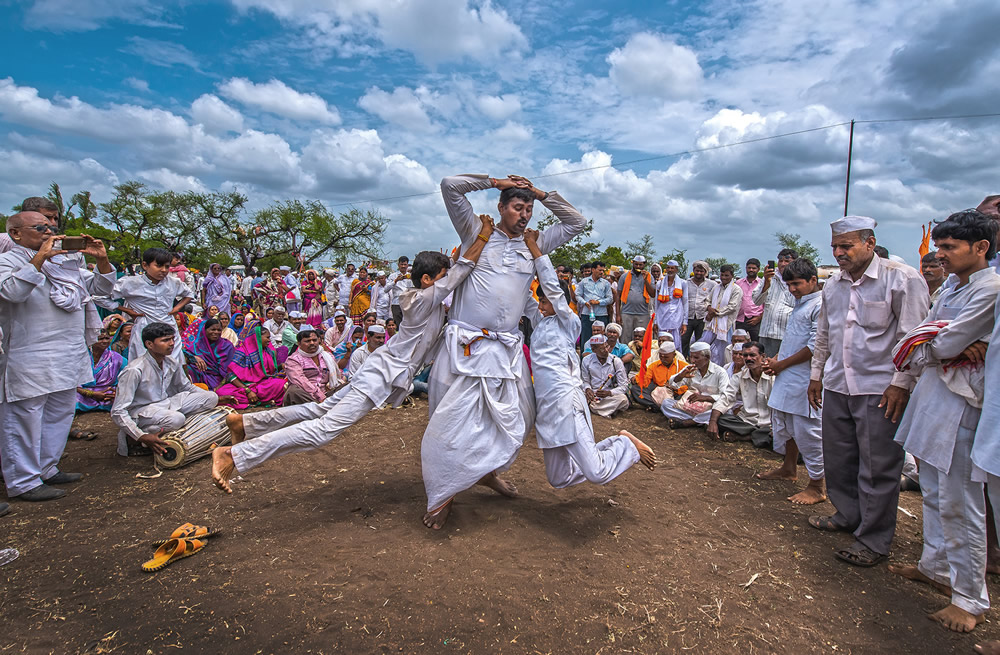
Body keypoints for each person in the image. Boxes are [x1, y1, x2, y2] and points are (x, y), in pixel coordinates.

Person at [213, 223, 493, 495]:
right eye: (443, 275)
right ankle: (233, 455)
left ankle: (245, 424)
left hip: (381, 371)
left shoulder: (429, 301)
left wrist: (459, 256)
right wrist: (483, 236)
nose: (448, 281)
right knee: (324, 430)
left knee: (319, 412)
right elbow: (461, 272)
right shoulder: (419, 301)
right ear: (427, 280)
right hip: (380, 375)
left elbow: (455, 275)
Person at [420, 173, 586, 530]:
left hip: (507, 350)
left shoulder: (535, 242)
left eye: (529, 208)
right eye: (517, 206)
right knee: (449, 424)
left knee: (520, 417)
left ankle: (488, 473)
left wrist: (541, 194)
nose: (524, 214)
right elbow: (450, 185)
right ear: (501, 207)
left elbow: (577, 222)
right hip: (464, 348)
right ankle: (444, 494)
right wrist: (493, 181)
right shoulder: (475, 233)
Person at [889, 210, 1000, 633]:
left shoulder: (990, 289)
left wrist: (936, 340)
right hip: (934, 394)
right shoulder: (953, 285)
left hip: (961, 403)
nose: (941, 255)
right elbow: (921, 338)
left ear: (981, 247)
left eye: (949, 247)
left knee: (960, 501)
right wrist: (936, 340)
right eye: (939, 246)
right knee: (933, 493)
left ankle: (969, 599)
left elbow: (942, 339)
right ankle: (935, 566)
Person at [807, 215, 929, 568]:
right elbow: (825, 335)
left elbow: (912, 338)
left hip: (880, 389)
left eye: (846, 246)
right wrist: (817, 375)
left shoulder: (901, 279)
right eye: (834, 247)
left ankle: (873, 539)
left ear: (870, 244)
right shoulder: (833, 286)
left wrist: (900, 384)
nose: (839, 253)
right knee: (840, 457)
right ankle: (847, 515)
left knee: (878, 466)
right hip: (837, 384)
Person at [522, 229, 654, 490]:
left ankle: (626, 445)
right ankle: (613, 444)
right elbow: (525, 297)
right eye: (541, 302)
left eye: (546, 301)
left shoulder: (568, 322)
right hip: (546, 409)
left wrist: (535, 250)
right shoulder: (539, 324)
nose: (541, 306)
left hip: (565, 401)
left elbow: (551, 285)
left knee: (596, 473)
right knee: (559, 478)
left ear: (561, 302)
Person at [0, 213, 116, 500]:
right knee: (25, 417)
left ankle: (47, 468)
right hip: (29, 354)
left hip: (68, 351)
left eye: (51, 227)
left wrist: (101, 261)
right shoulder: (9, 262)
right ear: (15, 233)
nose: (49, 231)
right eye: (40, 228)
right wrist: (40, 257)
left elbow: (102, 290)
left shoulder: (66, 264)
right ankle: (23, 482)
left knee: (60, 412)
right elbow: (12, 292)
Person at [757, 257, 826, 505]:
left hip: (806, 378)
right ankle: (788, 469)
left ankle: (817, 486)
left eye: (797, 284)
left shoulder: (820, 305)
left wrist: (781, 364)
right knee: (787, 426)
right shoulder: (800, 304)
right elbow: (794, 339)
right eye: (789, 285)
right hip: (789, 375)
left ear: (813, 281)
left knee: (808, 430)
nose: (793, 289)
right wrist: (776, 359)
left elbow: (816, 346)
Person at [111, 321, 220, 457]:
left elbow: (185, 387)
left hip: (165, 405)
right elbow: (117, 411)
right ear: (149, 344)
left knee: (211, 397)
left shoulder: (171, 362)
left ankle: (169, 430)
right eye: (165, 340)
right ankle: (134, 439)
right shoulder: (135, 369)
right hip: (141, 412)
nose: (171, 343)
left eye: (172, 339)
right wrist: (140, 436)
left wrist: (217, 399)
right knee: (177, 419)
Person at [113, 247, 193, 364]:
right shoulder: (131, 282)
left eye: (167, 266)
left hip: (168, 325)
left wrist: (176, 308)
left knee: (172, 362)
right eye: (159, 266)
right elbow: (101, 297)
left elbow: (189, 294)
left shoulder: (173, 282)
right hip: (145, 325)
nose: (164, 270)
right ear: (145, 265)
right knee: (145, 364)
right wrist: (126, 310)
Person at [708, 342, 773, 447]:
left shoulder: (773, 377)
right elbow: (726, 399)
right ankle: (758, 435)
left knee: (782, 432)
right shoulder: (739, 377)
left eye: (752, 355)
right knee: (720, 419)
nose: (748, 358)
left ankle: (745, 437)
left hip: (769, 423)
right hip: (746, 422)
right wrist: (712, 421)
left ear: (763, 356)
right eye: (745, 355)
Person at [215, 320, 288, 409]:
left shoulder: (268, 352)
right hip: (243, 385)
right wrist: (247, 390)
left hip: (262, 384)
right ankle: (262, 401)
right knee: (222, 393)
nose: (269, 340)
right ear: (258, 338)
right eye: (267, 338)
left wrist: (281, 366)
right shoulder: (242, 352)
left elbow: (270, 373)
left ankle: (260, 401)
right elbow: (231, 376)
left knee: (281, 384)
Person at [661, 341, 729, 429]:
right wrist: (680, 376)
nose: (692, 360)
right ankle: (699, 421)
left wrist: (704, 398)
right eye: (691, 357)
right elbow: (673, 385)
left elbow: (725, 397)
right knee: (666, 403)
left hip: (710, 407)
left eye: (696, 357)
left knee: (722, 411)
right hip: (690, 407)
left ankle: (689, 422)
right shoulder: (690, 369)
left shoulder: (720, 372)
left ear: (707, 357)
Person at [754, 249, 798, 357]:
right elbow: (756, 301)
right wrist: (767, 282)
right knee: (766, 366)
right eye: (780, 260)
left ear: (795, 262)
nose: (783, 264)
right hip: (767, 332)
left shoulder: (799, 279)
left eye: (787, 261)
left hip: (787, 333)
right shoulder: (770, 277)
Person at [699, 264, 743, 365]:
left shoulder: (736, 289)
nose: (723, 278)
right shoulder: (716, 287)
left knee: (724, 352)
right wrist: (709, 308)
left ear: (732, 275)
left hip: (726, 326)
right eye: (722, 275)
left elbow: (732, 307)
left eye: (726, 275)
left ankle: (724, 372)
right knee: (706, 347)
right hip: (712, 324)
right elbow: (707, 300)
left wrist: (714, 313)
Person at [283, 329, 339, 405]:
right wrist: (319, 395)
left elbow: (337, 374)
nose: (312, 343)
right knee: (293, 391)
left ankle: (324, 408)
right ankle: (322, 408)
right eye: (307, 341)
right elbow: (300, 380)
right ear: (299, 343)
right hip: (306, 396)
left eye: (314, 340)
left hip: (327, 394)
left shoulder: (328, 356)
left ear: (319, 340)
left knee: (348, 386)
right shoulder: (293, 359)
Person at [76, 329, 125, 413]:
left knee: (120, 398)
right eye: (100, 339)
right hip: (84, 391)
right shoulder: (81, 357)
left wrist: (116, 392)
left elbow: (125, 377)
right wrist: (93, 394)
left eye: (107, 338)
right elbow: (73, 382)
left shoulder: (117, 358)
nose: (105, 341)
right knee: (72, 398)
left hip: (107, 391)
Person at [182, 317, 236, 392]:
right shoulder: (198, 345)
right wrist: (194, 358)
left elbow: (230, 369)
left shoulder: (227, 346)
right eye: (213, 329)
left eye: (219, 330)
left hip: (220, 380)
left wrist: (219, 387)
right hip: (199, 377)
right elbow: (184, 355)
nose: (216, 332)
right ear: (205, 330)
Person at [581, 335, 630, 417]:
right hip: (593, 396)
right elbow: (585, 380)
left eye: (607, 346)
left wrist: (609, 393)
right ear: (593, 350)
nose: (607, 350)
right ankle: (608, 411)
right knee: (579, 397)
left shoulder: (616, 361)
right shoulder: (586, 361)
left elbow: (624, 386)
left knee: (623, 400)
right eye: (602, 349)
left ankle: (595, 409)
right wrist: (588, 389)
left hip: (610, 397)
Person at [629, 341, 688, 409]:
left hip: (677, 394)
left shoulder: (683, 366)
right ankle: (659, 406)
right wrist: (637, 379)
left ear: (674, 355)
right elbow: (645, 378)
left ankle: (660, 407)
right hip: (658, 393)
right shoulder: (654, 366)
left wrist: (674, 389)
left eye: (666, 357)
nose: (663, 359)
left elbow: (689, 385)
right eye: (661, 356)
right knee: (636, 389)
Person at [616, 255, 656, 342]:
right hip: (626, 312)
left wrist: (645, 280)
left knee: (642, 339)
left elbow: (652, 294)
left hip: (643, 313)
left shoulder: (649, 277)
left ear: (644, 265)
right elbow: (618, 295)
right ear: (633, 263)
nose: (638, 267)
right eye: (636, 264)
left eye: (640, 265)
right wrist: (618, 315)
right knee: (625, 338)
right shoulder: (624, 276)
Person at [683, 261, 717, 356]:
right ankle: (684, 359)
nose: (699, 273)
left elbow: (713, 299)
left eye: (701, 271)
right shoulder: (686, 283)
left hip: (703, 317)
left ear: (705, 272)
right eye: (697, 271)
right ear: (693, 271)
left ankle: (699, 361)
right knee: (684, 340)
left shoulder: (712, 284)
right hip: (687, 317)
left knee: (701, 341)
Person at [576, 260, 613, 345]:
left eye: (603, 270)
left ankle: (601, 357)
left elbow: (610, 299)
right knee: (586, 338)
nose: (601, 272)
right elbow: (577, 295)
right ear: (593, 270)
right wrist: (585, 302)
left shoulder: (606, 283)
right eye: (600, 270)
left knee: (601, 339)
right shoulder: (584, 282)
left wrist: (598, 302)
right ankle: (585, 357)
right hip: (587, 313)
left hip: (601, 314)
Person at [654, 259, 688, 346]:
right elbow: (656, 304)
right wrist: (655, 322)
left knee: (676, 342)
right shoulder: (660, 283)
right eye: (668, 268)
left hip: (676, 316)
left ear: (676, 270)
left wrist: (685, 322)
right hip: (662, 316)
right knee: (662, 340)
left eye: (672, 268)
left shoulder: (683, 283)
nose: (670, 270)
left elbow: (685, 302)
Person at [735, 258, 764, 341]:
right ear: (746, 268)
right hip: (740, 318)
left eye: (754, 268)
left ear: (758, 269)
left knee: (756, 344)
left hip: (756, 319)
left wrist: (759, 318)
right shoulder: (738, 283)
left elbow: (767, 303)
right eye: (749, 268)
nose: (751, 270)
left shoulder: (762, 284)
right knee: (738, 342)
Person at [389, 256, 412, 327]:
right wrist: (396, 281)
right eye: (401, 264)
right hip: (396, 303)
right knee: (397, 326)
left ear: (407, 265)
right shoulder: (393, 276)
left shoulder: (411, 276)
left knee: (408, 325)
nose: (403, 266)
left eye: (405, 264)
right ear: (398, 265)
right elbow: (386, 289)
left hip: (408, 304)